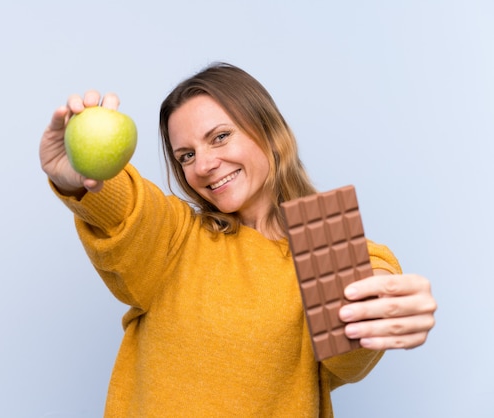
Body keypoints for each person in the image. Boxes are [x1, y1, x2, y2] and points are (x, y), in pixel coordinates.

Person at [39, 63, 437, 417]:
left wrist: (385, 308)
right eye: (186, 156)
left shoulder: (323, 242)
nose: (204, 166)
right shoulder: (177, 239)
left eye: (220, 137)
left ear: (270, 131)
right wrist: (81, 172)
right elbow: (127, 209)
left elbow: (354, 341)